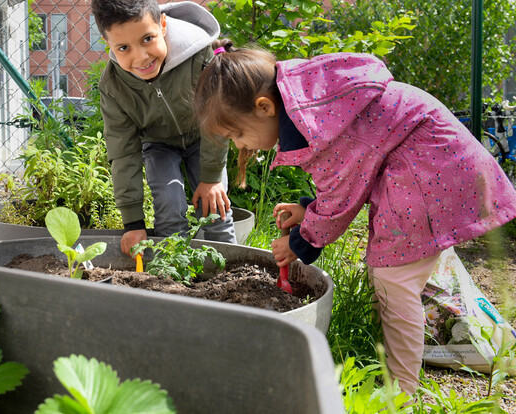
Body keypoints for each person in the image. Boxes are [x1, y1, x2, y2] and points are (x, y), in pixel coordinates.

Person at [193, 41, 516, 395]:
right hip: (433, 168)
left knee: (394, 280)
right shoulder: (311, 98)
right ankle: (475, 345)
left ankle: (401, 391)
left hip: (429, 177)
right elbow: (352, 171)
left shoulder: (313, 123)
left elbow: (340, 198)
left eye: (238, 133)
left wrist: (300, 241)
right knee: (392, 272)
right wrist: (309, 210)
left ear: (265, 106)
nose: (241, 145)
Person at [90, 0, 236, 257]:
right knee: (169, 209)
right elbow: (123, 153)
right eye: (124, 48)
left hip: (203, 136)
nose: (141, 57)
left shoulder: (199, 55)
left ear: (163, 25)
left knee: (216, 210)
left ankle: (232, 273)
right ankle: (173, 279)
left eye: (148, 39)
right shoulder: (113, 86)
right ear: (108, 44)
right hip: (158, 145)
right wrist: (132, 222)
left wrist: (212, 176)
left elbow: (216, 118)